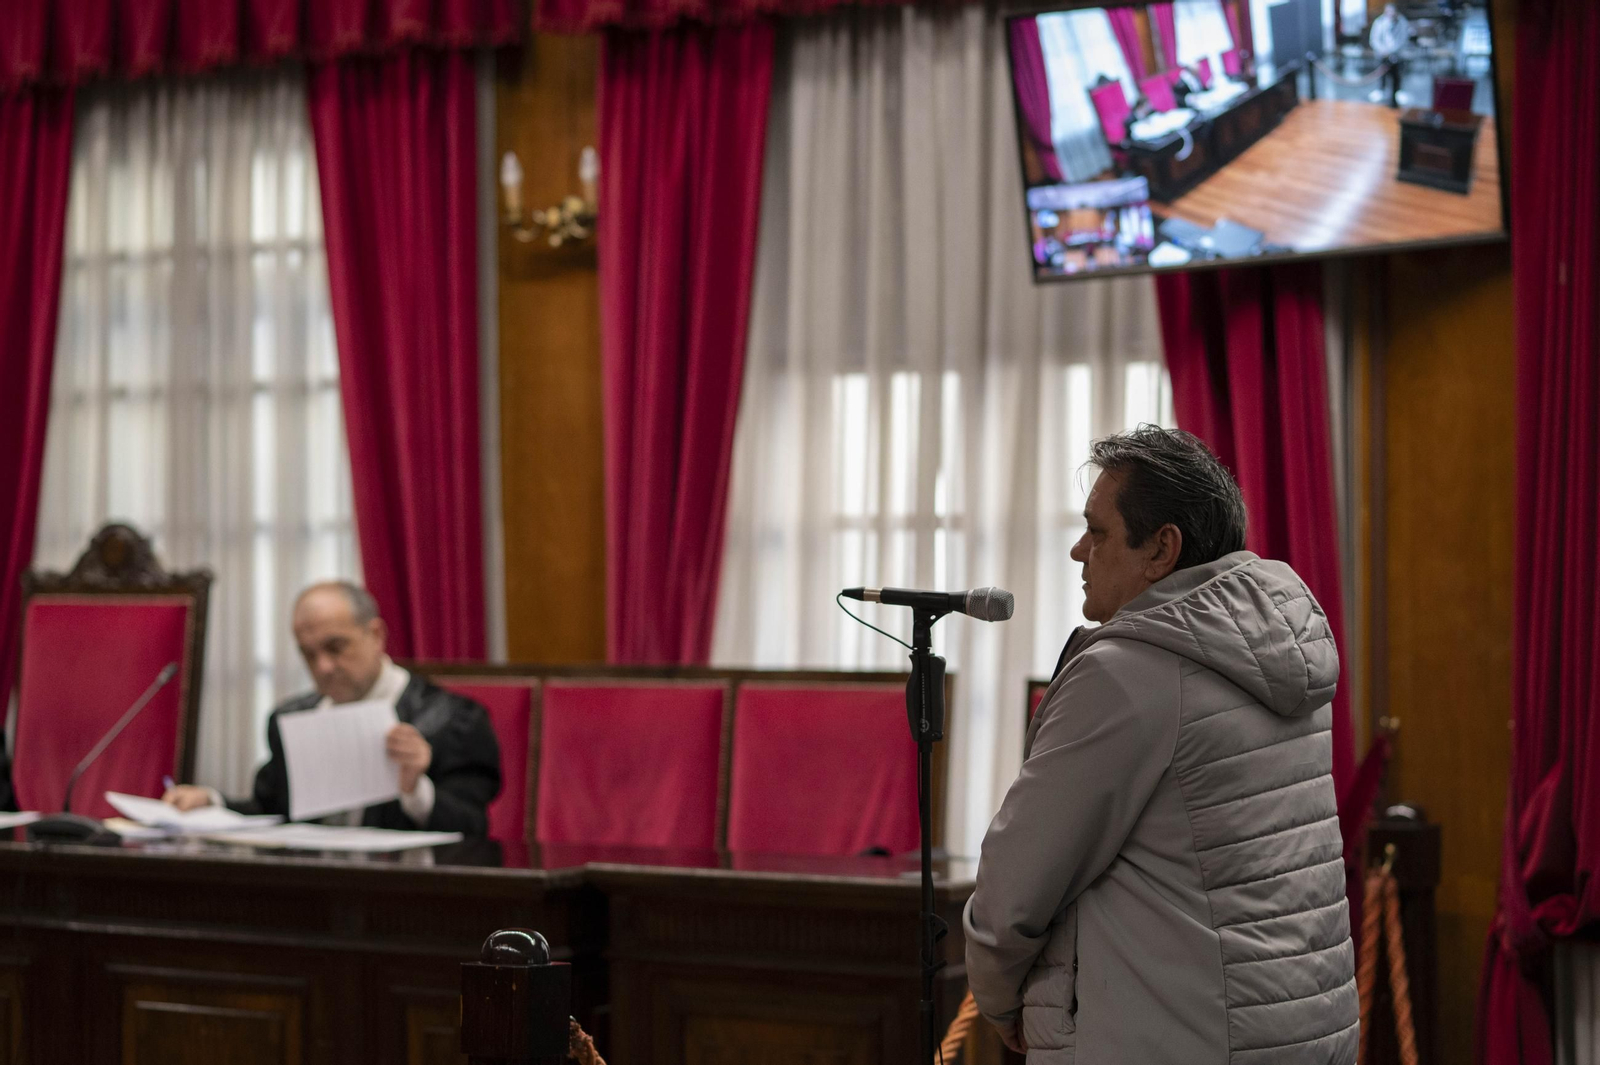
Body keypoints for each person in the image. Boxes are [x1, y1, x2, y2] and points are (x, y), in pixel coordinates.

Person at [963, 427, 1357, 1064]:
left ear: (1161, 550)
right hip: (1298, 1031)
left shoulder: (1126, 675)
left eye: (1098, 532)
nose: (1077, 551)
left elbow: (1015, 888)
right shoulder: (1280, 649)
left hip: (1170, 1038)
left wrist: (1000, 996)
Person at [165, 581, 501, 836]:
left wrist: (416, 789)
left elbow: (474, 830)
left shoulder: (453, 721)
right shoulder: (291, 719)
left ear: (376, 635)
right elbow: (272, 810)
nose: (323, 666)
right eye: (309, 654)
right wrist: (212, 803)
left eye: (335, 647)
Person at [1370, 3, 1411, 107]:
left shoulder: (1402, 22)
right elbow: (1374, 39)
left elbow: (1403, 39)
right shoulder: (1379, 22)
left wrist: (1392, 50)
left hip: (1397, 54)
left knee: (1397, 75)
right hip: (1383, 54)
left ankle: (1398, 92)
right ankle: (1381, 90)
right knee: (1382, 72)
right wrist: (1383, 50)